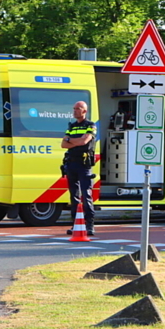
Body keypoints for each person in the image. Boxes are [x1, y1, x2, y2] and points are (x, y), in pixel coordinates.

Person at [61, 100, 96, 236]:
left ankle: (89, 225)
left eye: (77, 109)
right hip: (72, 163)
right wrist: (76, 141)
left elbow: (85, 141)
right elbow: (63, 144)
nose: (74, 111)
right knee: (74, 196)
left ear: (84, 111)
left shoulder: (90, 125)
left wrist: (70, 140)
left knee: (86, 195)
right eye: (74, 108)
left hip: (84, 164)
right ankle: (76, 224)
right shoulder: (71, 126)